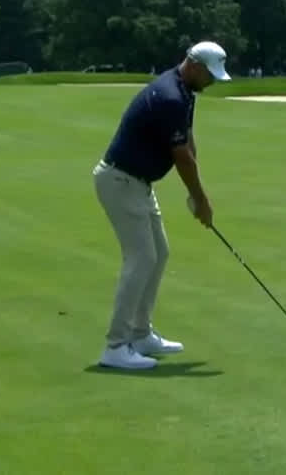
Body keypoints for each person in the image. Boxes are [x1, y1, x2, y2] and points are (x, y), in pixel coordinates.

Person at [92, 41, 231, 370]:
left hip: (137, 184)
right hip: (120, 182)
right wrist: (200, 199)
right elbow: (180, 157)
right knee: (141, 258)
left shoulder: (185, 93)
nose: (212, 81)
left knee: (159, 253)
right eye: (210, 75)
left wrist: (196, 195)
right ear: (194, 66)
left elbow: (188, 140)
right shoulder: (170, 96)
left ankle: (140, 334)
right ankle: (116, 346)